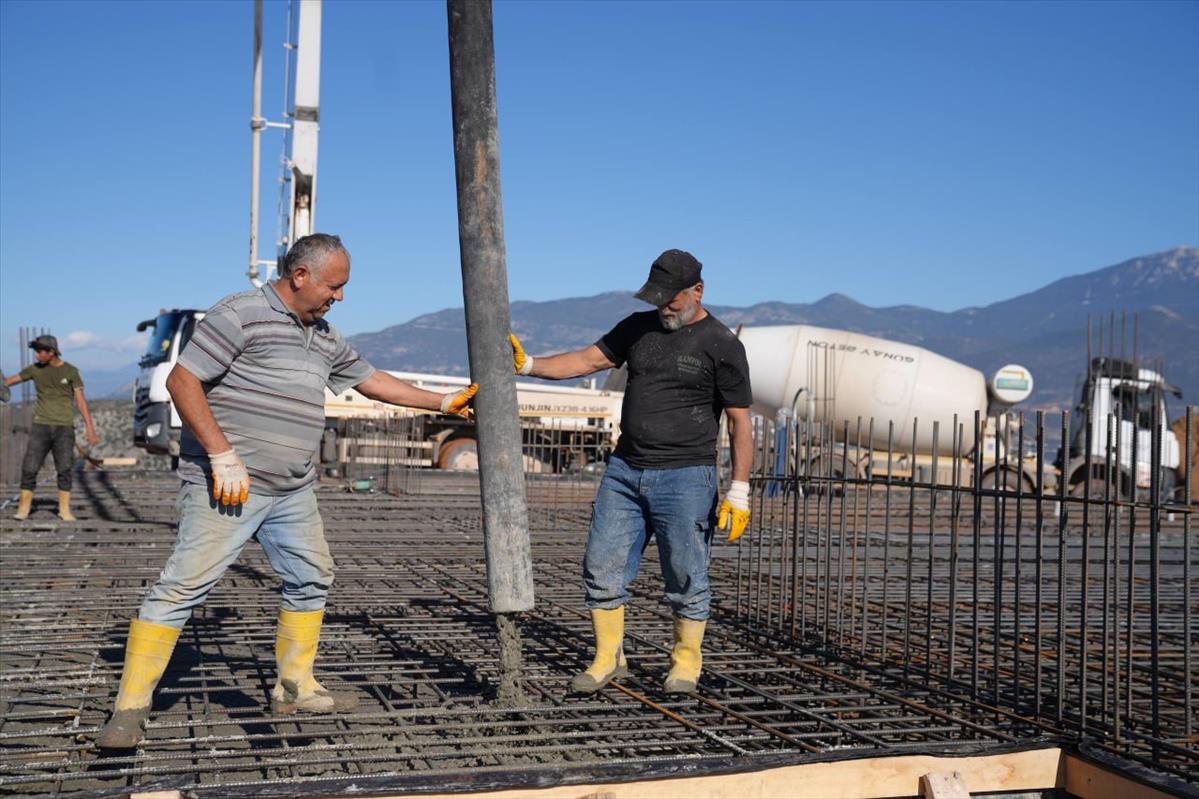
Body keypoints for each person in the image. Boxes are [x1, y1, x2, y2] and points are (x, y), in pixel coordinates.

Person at [97, 233, 478, 748]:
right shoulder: (241, 314)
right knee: (183, 586)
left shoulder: (322, 334)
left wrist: (443, 402)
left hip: (292, 488)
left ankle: (295, 687)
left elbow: (370, 380)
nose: (340, 296)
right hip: (230, 483)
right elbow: (182, 382)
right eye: (334, 286)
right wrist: (221, 454)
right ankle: (129, 709)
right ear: (300, 275)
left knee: (311, 575)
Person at [508, 249, 752, 695]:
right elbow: (586, 361)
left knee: (685, 573)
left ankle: (685, 663)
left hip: (686, 477)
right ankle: (608, 657)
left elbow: (739, 421)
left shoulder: (721, 344)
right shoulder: (637, 328)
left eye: (671, 299)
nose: (664, 307)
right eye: (657, 298)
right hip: (624, 472)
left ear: (697, 291)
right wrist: (529, 366)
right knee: (601, 565)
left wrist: (739, 490)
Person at [4, 335, 100, 521]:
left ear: (52, 352)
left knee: (64, 468)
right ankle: (23, 508)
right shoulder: (34, 370)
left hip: (64, 428)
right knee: (29, 467)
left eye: (40, 351)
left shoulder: (70, 371)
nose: (36, 355)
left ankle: (64, 510)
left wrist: (91, 429)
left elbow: (81, 401)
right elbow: (10, 381)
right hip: (41, 426)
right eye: (36, 351)